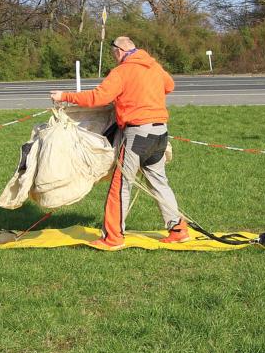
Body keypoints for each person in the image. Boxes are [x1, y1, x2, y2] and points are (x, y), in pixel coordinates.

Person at [49, 36, 187, 250]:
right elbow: (169, 85)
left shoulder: (122, 71)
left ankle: (113, 237)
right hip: (160, 133)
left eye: (113, 54)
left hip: (138, 135)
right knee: (159, 182)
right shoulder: (153, 65)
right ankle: (178, 230)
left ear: (118, 51)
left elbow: (98, 97)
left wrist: (64, 96)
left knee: (120, 185)